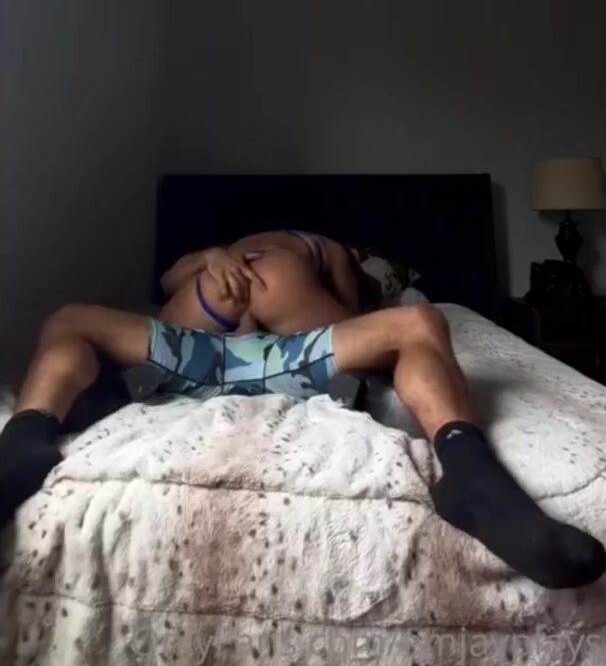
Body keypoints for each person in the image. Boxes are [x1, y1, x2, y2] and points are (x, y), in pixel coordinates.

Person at [0, 229, 604, 591]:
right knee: (419, 322)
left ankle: (472, 476)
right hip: (270, 350)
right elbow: (348, 310)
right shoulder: (326, 246)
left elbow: (168, 283)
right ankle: (25, 444)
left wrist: (214, 260)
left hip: (208, 345)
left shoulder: (241, 252)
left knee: (71, 321)